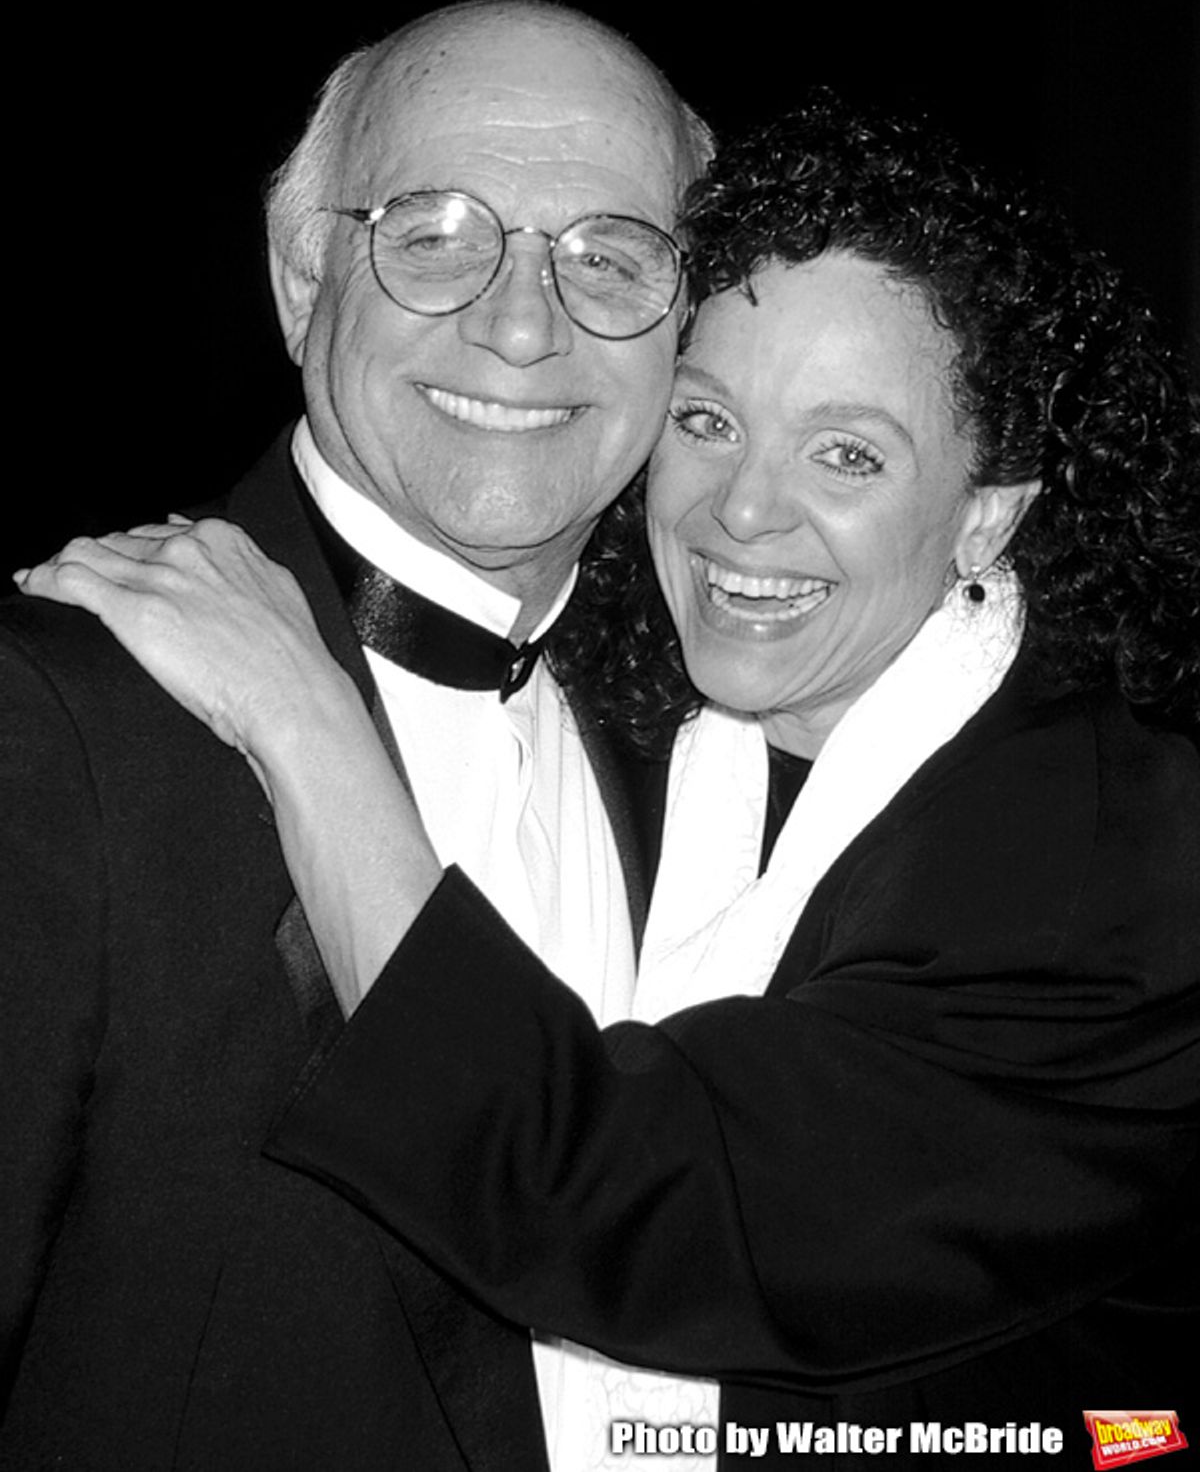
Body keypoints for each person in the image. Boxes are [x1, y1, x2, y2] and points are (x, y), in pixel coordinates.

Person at [19, 94, 1199, 1466]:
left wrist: (305, 712)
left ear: (989, 509)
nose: (741, 510)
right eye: (707, 420)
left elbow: (622, 1201)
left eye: (847, 452)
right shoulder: (650, 727)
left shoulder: (1118, 872)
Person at [0, 0, 713, 1471]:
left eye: (612, 255)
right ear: (303, 272)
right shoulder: (54, 722)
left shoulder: (706, 739)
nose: (524, 325)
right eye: (435, 232)